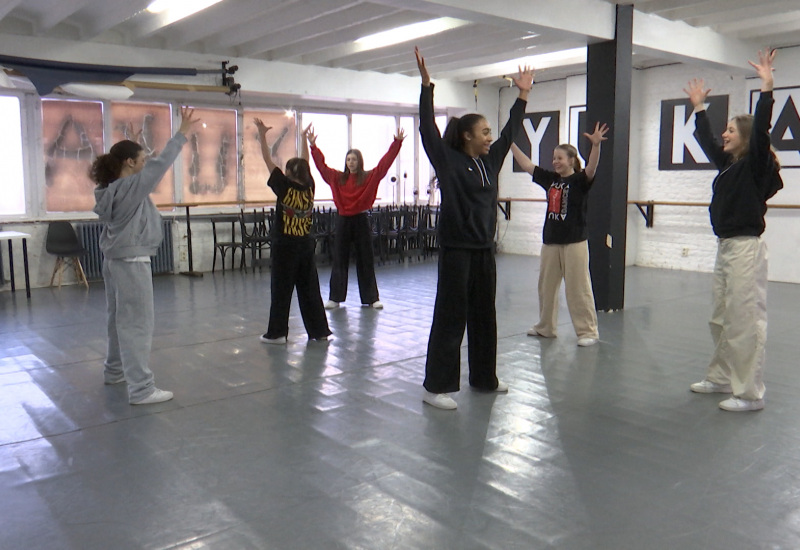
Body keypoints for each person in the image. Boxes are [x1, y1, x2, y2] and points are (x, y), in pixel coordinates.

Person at [415, 46, 533, 410]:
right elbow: (427, 128)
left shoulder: (489, 161)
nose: (489, 136)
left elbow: (511, 132)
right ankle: (437, 386)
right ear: (467, 136)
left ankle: (484, 378)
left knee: (485, 317)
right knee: (451, 317)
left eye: (489, 132)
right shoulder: (449, 161)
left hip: (484, 251)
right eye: (483, 132)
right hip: (456, 251)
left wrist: (523, 94)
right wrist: (426, 88)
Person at [685, 49, 783, 412]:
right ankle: (721, 376)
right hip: (725, 247)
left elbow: (762, 129)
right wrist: (698, 108)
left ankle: (749, 393)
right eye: (724, 129)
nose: (724, 135)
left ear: (745, 137)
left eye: (730, 130)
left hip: (745, 248)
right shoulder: (728, 164)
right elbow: (706, 139)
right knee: (721, 317)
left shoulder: (755, 165)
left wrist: (767, 85)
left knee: (744, 320)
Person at [92, 106, 200, 405]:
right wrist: (181, 134)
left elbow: (147, 164)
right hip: (131, 262)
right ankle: (141, 389)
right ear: (129, 163)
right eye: (140, 160)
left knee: (117, 319)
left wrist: (138, 142)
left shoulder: (112, 187)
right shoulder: (132, 185)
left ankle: (115, 371)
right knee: (137, 323)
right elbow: (161, 163)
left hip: (114, 261)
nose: (146, 163)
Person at [510, 123, 609, 347]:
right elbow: (527, 165)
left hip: (575, 241)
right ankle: (546, 327)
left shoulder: (580, 180)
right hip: (551, 241)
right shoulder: (550, 179)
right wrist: (511, 144)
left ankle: (588, 331)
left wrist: (595, 146)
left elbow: (592, 168)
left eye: (560, 158)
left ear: (571, 160)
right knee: (546, 286)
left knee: (578, 288)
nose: (555, 162)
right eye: (554, 158)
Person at [307, 126, 405, 310]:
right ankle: (335, 298)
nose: (351, 162)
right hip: (343, 220)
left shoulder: (369, 177)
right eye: (348, 159)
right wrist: (313, 146)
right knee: (339, 259)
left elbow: (385, 164)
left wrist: (396, 143)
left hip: (360, 220)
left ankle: (371, 298)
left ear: (360, 162)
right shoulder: (337, 178)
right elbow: (321, 167)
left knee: (365, 259)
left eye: (354, 159)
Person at [255, 119, 332, 344]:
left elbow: (267, 160)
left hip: (285, 247)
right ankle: (319, 332)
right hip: (306, 246)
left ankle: (278, 333)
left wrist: (261, 135)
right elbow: (304, 162)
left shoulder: (283, 186)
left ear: (288, 172)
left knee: (281, 290)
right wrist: (305, 141)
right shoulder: (310, 187)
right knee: (310, 291)